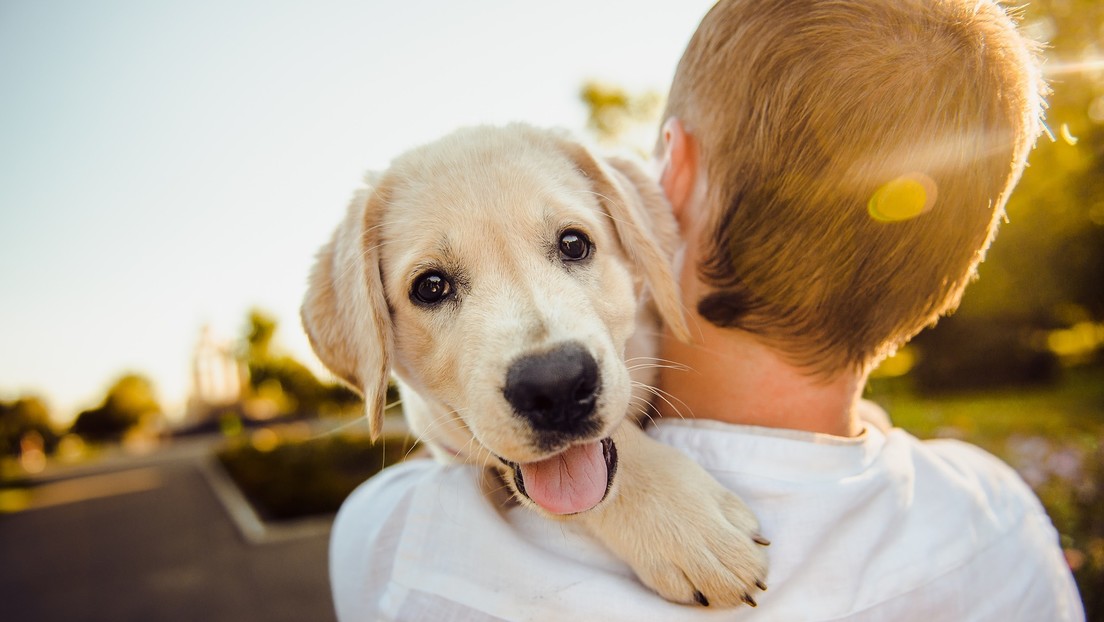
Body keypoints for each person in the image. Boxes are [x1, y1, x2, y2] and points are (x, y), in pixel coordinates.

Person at [329, 0, 1085, 619]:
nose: (547, 354)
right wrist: (627, 483)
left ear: (669, 181)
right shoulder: (1003, 524)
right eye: (434, 288)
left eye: (570, 244)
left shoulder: (400, 546)